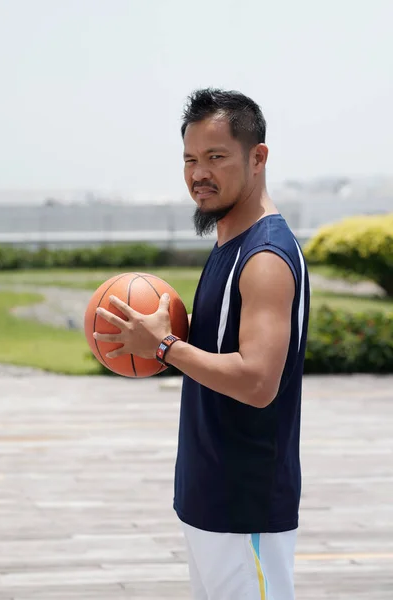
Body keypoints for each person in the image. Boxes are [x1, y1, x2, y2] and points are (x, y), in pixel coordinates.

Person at [94, 88, 310, 600]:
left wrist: (165, 345)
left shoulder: (265, 258)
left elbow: (259, 382)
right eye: (190, 159)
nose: (198, 174)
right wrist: (158, 329)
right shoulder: (227, 243)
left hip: (246, 507)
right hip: (208, 497)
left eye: (216, 157)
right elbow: (221, 339)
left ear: (257, 158)